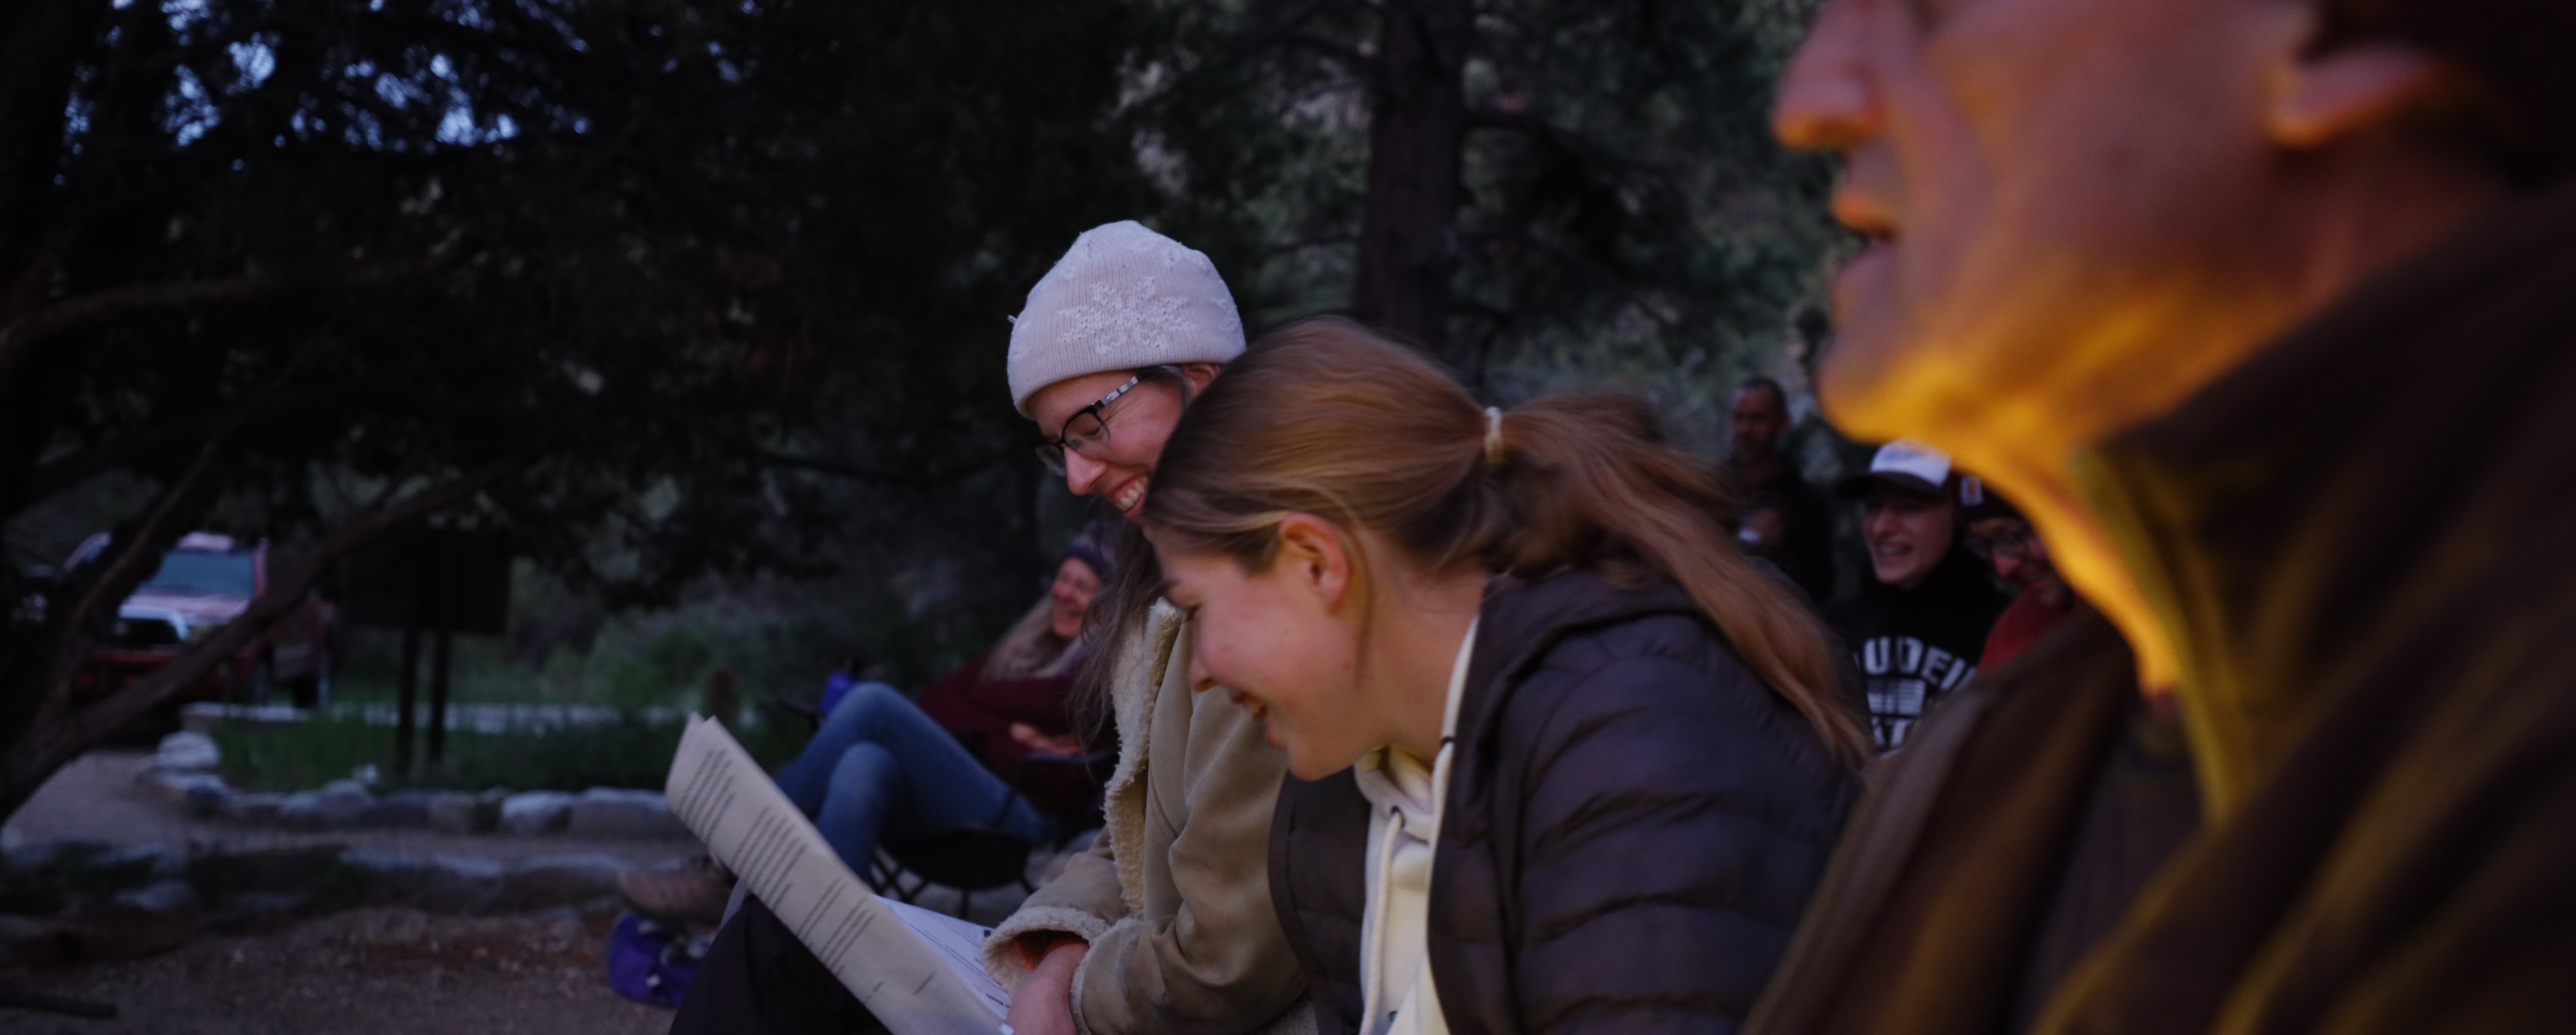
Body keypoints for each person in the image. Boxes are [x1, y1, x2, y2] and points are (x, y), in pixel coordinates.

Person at [1748, 0, 2576, 1032]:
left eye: (1932, 11)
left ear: (2334, 45)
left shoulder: (2528, 771)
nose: (1812, 102)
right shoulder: (2017, 742)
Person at [1136, 318, 1865, 1035]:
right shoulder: (1373, 772)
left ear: (1316, 561)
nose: (1198, 673)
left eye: (1197, 609)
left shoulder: (1635, 743)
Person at [675, 220, 1311, 1035]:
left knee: (795, 920)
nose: (1080, 475)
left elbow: (1226, 964)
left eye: (1091, 425)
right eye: (1060, 448)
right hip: (1122, 977)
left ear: (1200, 375)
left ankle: (726, 867)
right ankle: (741, 874)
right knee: (782, 931)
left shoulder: (1282, 593)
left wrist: (1069, 994)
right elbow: (1129, 843)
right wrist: (1054, 950)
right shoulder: (1165, 600)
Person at [626, 531, 1112, 922]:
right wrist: (1008, 731)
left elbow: (1055, 759)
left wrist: (985, 716)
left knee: (872, 703)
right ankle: (821, 946)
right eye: (1064, 579)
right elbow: (937, 701)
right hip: (957, 802)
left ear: (1109, 606)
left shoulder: (1104, 673)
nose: (1066, 594)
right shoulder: (1023, 649)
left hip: (1018, 817)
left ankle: (731, 859)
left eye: (1084, 587)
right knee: (865, 762)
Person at [1822, 440, 2006, 750]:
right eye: (1873, 507)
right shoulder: (1831, 627)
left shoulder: (2006, 629)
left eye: (1909, 508)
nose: (1881, 527)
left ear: (1960, 519)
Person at [1727, 375, 1838, 605]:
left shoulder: (1806, 504)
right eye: (1739, 418)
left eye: (1758, 419)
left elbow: (1820, 586)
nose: (1746, 429)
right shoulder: (1711, 488)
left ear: (1783, 423)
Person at [1962, 489, 2082, 670]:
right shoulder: (2015, 627)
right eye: (1986, 546)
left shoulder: (2135, 619)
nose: (2004, 568)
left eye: (2012, 537)